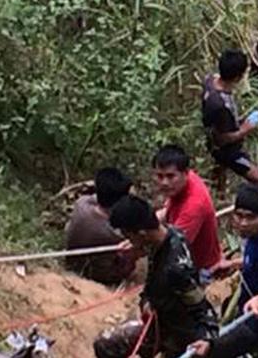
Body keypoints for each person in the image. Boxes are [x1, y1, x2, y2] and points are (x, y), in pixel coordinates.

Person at [93, 195, 218, 358]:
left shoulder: (176, 269)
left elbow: (201, 308)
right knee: (105, 344)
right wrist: (147, 302)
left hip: (178, 335)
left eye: (128, 235)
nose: (127, 240)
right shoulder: (167, 235)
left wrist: (207, 340)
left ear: (142, 233)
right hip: (157, 321)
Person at [188, 186, 258, 358]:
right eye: (239, 215)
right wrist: (234, 263)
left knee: (213, 351)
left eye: (251, 217)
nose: (243, 223)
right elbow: (256, 259)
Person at [154, 146, 223, 275]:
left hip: (197, 269)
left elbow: (173, 247)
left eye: (170, 176)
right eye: (160, 176)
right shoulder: (182, 183)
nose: (164, 182)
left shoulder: (194, 204)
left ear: (185, 173)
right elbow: (166, 211)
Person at [64, 167, 135, 285]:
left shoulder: (81, 203)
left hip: (71, 263)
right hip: (97, 277)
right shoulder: (115, 233)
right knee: (134, 254)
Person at [201, 50, 258, 182]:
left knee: (218, 174)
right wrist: (244, 130)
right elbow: (221, 140)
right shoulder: (221, 105)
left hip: (213, 133)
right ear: (237, 77)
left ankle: (218, 189)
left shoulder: (209, 80)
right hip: (226, 150)